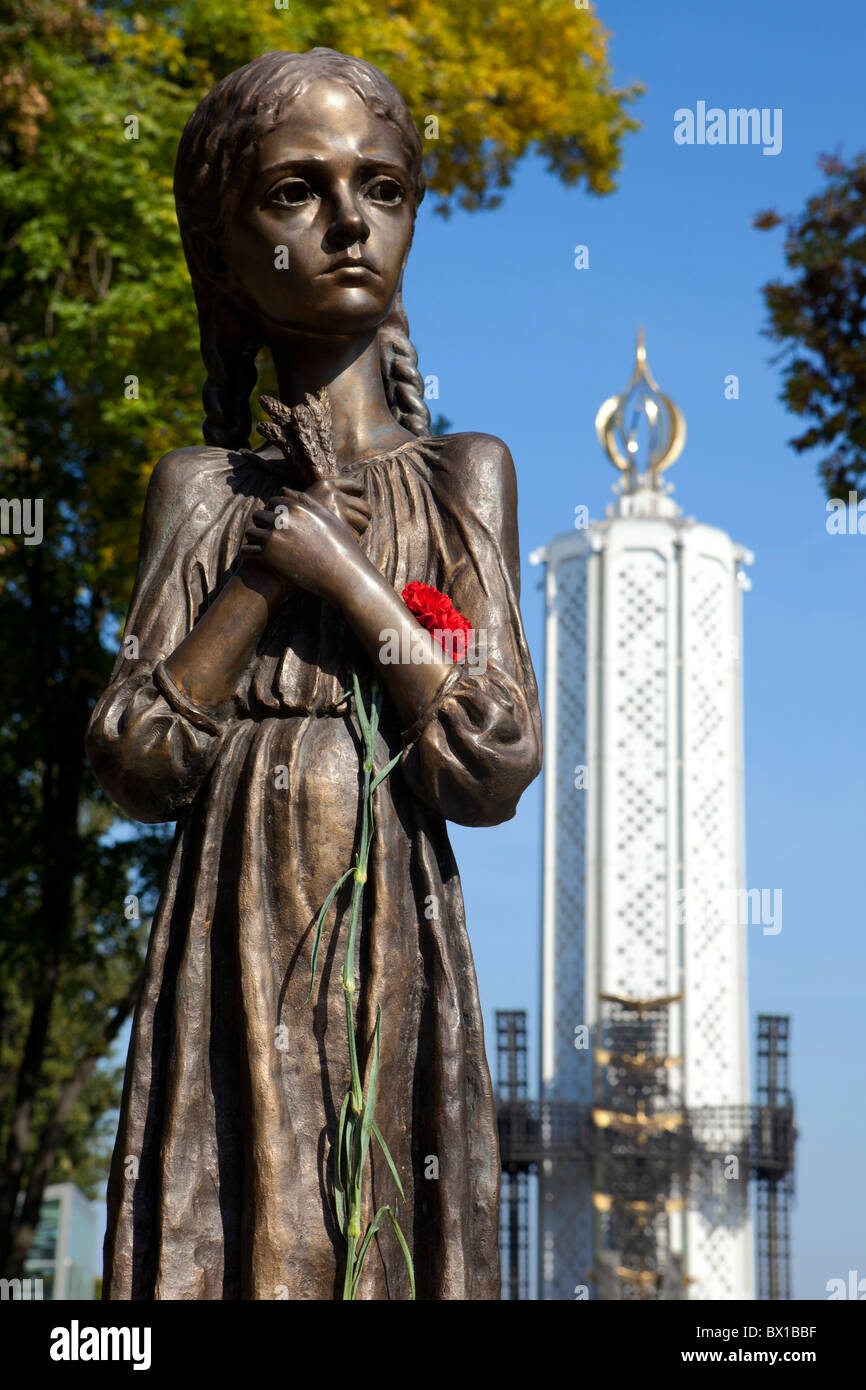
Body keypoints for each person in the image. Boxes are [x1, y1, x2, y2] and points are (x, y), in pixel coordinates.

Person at [86, 47, 542, 1301]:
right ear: (223, 249)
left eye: (382, 188)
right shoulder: (199, 490)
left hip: (389, 907)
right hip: (230, 913)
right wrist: (258, 580)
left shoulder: (465, 475)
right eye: (296, 191)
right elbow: (132, 756)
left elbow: (494, 755)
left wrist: (345, 577)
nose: (349, 222)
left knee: (381, 1215)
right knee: (234, 1214)